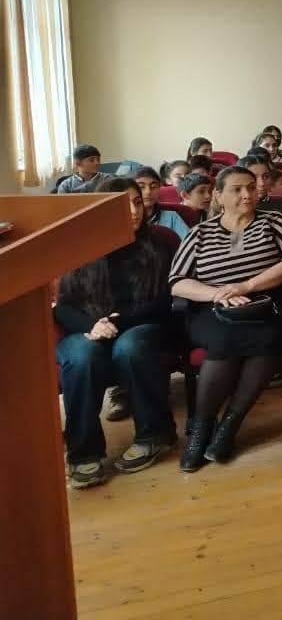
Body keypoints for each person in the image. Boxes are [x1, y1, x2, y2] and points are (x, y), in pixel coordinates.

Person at [169, 166, 282, 470]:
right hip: (213, 307)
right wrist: (218, 294)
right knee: (223, 339)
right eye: (237, 189)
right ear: (218, 195)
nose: (247, 194)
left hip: (268, 302)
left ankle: (229, 425)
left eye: (251, 188)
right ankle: (201, 429)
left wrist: (247, 286)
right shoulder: (200, 233)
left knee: (269, 338)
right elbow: (177, 281)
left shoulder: (275, 221)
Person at [54, 178, 179, 487]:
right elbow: (63, 306)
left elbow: (164, 300)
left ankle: (154, 434)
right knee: (81, 356)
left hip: (142, 325)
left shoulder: (158, 242)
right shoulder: (79, 247)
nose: (135, 210)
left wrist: (117, 323)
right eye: (123, 204)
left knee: (130, 347)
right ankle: (83, 452)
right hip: (89, 329)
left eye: (137, 202)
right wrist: (92, 326)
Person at [134, 166, 191, 240]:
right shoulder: (126, 219)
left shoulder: (171, 217)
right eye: (141, 187)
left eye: (153, 186)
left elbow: (189, 242)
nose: (148, 192)